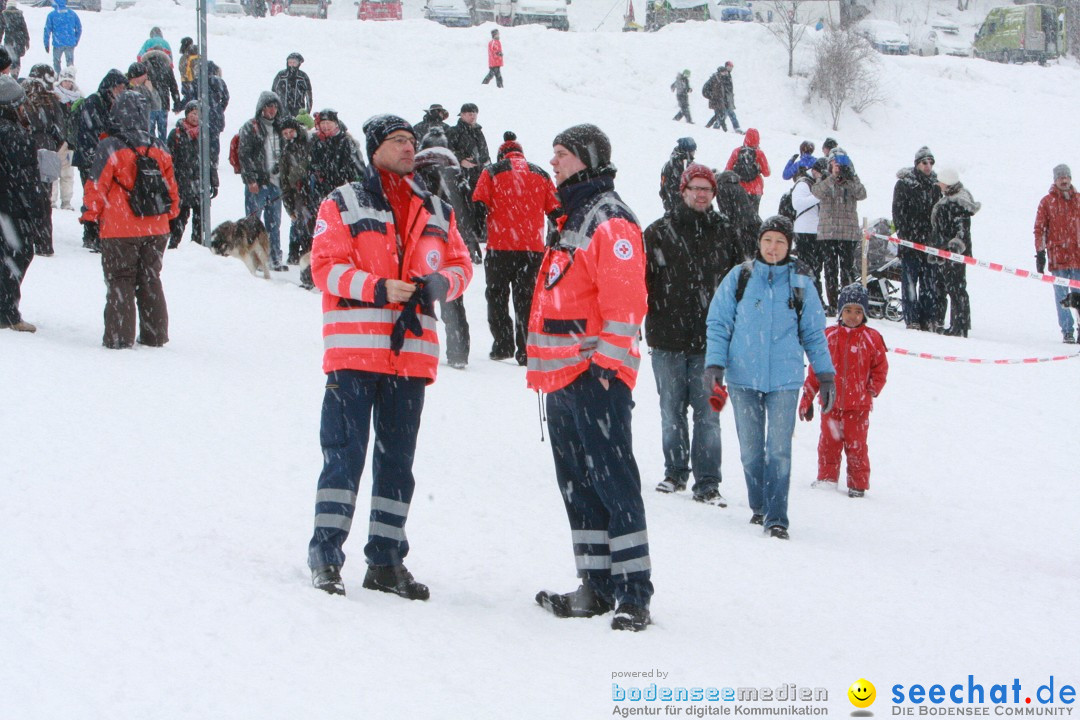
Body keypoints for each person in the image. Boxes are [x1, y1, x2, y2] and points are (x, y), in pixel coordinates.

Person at [305, 114, 473, 599]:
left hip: (411, 356)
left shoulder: (437, 209)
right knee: (344, 458)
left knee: (397, 464)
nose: (407, 147)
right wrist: (378, 289)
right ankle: (326, 555)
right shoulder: (343, 201)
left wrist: (441, 283)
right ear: (375, 147)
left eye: (411, 141)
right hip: (355, 352)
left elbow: (462, 264)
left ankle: (385, 559)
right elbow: (325, 268)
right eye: (398, 140)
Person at [530, 124, 653, 632]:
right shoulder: (574, 214)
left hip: (592, 376)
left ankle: (632, 594)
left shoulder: (611, 219)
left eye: (560, 154)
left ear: (586, 159)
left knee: (613, 483)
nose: (553, 162)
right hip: (562, 378)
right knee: (578, 485)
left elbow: (625, 304)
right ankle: (595, 585)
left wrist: (604, 368)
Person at [704, 215, 835, 539]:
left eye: (779, 241)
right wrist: (715, 365)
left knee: (778, 450)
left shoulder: (801, 283)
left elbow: (815, 335)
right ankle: (759, 506)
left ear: (789, 245)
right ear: (759, 243)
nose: (772, 247)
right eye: (767, 240)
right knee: (751, 450)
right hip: (743, 378)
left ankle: (776, 517)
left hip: (784, 380)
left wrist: (826, 375)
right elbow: (719, 324)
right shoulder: (740, 278)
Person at [644, 163, 739, 505]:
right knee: (671, 411)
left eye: (707, 189)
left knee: (709, 415)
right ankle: (675, 473)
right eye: (695, 188)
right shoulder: (657, 232)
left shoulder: (727, 232)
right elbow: (640, 284)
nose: (701, 194)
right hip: (666, 338)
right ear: (682, 191)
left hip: (711, 343)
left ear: (713, 194)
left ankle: (708, 482)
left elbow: (736, 288)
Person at [81, 91, 180, 349]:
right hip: (156, 225)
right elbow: (171, 190)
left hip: (119, 226)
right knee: (151, 280)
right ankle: (155, 334)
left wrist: (90, 215)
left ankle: (119, 337)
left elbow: (96, 185)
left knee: (121, 280)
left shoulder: (110, 146)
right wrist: (169, 217)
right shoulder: (159, 146)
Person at [472, 130, 559, 366]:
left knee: (497, 295)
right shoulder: (540, 173)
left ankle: (503, 345)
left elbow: (478, 205)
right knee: (526, 299)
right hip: (532, 249)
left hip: (500, 246)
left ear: (502, 155)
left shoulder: (491, 171)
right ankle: (526, 350)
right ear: (521, 154)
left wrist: (476, 232)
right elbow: (556, 211)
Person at [799, 283, 888, 498]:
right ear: (840, 312)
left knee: (857, 447)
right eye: (848, 310)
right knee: (828, 445)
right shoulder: (829, 336)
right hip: (830, 406)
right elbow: (815, 372)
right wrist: (807, 399)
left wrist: (872, 389)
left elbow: (880, 368)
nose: (852, 316)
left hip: (858, 408)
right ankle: (827, 479)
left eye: (858, 311)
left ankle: (858, 484)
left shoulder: (871, 338)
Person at [414, 129, 483, 369]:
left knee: (416, 296)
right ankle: (458, 353)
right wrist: (470, 238)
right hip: (450, 237)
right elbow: (467, 207)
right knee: (453, 298)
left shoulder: (415, 172)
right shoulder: (455, 170)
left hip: (422, 240)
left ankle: (415, 347)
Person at [0, 74, 45, 333]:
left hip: (7, 206)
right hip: (12, 208)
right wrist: (36, 211)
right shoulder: (16, 135)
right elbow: (25, 178)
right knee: (15, 257)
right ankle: (7, 313)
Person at [73, 68, 128, 252]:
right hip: (90, 157)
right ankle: (91, 233)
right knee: (93, 195)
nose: (121, 91)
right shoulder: (93, 102)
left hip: (103, 158)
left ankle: (99, 232)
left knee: (103, 196)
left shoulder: (112, 103)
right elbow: (89, 131)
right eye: (119, 87)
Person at [891, 146, 941, 331]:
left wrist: (935, 237)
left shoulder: (936, 185)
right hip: (910, 243)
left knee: (929, 284)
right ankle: (911, 318)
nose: (928, 166)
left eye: (930, 162)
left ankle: (928, 318)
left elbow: (938, 214)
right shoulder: (905, 184)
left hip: (930, 244)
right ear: (917, 164)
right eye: (924, 162)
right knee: (910, 283)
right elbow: (898, 212)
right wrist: (906, 236)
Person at [811, 147, 866, 315]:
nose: (838, 167)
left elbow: (862, 194)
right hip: (828, 233)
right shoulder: (825, 180)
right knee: (830, 270)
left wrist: (852, 175)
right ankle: (834, 303)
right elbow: (817, 192)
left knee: (847, 269)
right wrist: (832, 176)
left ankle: (848, 303)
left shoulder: (852, 180)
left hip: (848, 233)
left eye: (840, 164)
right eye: (835, 164)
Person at [237, 91, 286, 270]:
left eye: (274, 107)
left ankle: (274, 258)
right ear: (261, 108)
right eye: (268, 106)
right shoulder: (251, 127)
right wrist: (251, 180)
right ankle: (254, 257)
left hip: (276, 183)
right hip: (257, 183)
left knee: (274, 223)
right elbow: (244, 154)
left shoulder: (281, 127)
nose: (272, 110)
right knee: (253, 223)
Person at [1034, 163, 1080, 343]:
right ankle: (1067, 331)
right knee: (1062, 297)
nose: (1064, 180)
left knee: (1079, 296)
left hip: (1077, 257)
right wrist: (1040, 252)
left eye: (1066, 177)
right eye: (1061, 177)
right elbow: (1039, 228)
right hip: (1058, 257)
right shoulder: (1047, 202)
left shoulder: (1078, 200)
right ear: (1055, 180)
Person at [930, 167, 978, 337]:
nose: (939, 185)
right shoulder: (955, 200)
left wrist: (953, 248)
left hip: (952, 254)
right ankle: (960, 324)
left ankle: (959, 326)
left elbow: (961, 230)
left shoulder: (955, 203)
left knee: (956, 289)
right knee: (956, 288)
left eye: (941, 182)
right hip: (950, 252)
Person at [22, 64, 64, 256]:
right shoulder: (52, 101)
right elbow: (60, 131)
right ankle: (44, 242)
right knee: (44, 199)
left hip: (26, 148)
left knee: (23, 195)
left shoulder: (22, 98)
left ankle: (24, 237)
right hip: (47, 150)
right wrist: (50, 144)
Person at [167, 100, 217, 248]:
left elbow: (211, 159)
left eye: (198, 114)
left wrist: (213, 181)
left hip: (199, 183)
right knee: (180, 218)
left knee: (200, 219)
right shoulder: (176, 134)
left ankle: (196, 247)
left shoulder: (205, 134)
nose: (195, 117)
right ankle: (173, 246)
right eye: (193, 113)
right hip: (181, 183)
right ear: (187, 114)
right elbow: (168, 159)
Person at [447, 102, 489, 240]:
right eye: (470, 114)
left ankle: (478, 232)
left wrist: (485, 163)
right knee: (464, 203)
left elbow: (485, 152)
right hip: (461, 175)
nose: (473, 116)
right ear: (462, 115)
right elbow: (448, 151)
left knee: (479, 202)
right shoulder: (454, 131)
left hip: (478, 174)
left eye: (475, 113)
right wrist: (461, 160)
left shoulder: (478, 132)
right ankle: (465, 233)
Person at [278, 117, 315, 266]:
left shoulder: (310, 142)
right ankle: (296, 253)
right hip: (297, 194)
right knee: (299, 225)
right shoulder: (286, 151)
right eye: (285, 133)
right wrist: (288, 206)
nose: (288, 136)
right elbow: (284, 181)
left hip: (313, 191)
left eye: (290, 132)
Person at [309, 108, 366, 201]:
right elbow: (313, 166)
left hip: (346, 193)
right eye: (323, 123)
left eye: (328, 123)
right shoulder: (318, 143)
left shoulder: (346, 141)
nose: (325, 126)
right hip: (325, 195)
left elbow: (358, 168)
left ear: (335, 124)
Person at [791, 157, 824, 301]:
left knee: (816, 268)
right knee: (805, 267)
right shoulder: (803, 183)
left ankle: (816, 297)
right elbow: (797, 204)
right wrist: (817, 197)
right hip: (804, 230)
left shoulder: (815, 183)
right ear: (815, 171)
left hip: (817, 230)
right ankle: (805, 297)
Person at [714, 168, 760, 261]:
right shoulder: (737, 185)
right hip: (753, 222)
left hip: (742, 226)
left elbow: (727, 212)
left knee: (745, 259)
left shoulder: (721, 187)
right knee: (755, 256)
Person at [51, 65, 81, 211]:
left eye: (70, 81)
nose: (67, 83)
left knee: (67, 173)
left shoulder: (78, 100)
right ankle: (52, 199)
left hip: (70, 143)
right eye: (65, 80)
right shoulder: (54, 98)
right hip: (57, 141)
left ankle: (66, 200)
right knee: (53, 172)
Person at [724, 127, 769, 213]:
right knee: (753, 216)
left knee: (739, 215)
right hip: (756, 190)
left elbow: (727, 170)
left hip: (739, 189)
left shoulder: (737, 151)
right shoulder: (759, 153)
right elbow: (767, 173)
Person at [141, 48, 180, 142]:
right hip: (164, 102)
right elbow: (173, 86)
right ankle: (162, 149)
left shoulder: (144, 66)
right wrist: (177, 102)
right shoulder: (167, 67)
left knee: (149, 131)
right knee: (162, 131)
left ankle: (151, 149)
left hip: (149, 103)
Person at [43, 0, 80, 77]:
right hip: (70, 43)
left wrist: (46, 43)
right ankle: (70, 77)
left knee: (56, 62)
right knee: (70, 63)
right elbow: (79, 28)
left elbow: (47, 30)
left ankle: (58, 77)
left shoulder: (52, 15)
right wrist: (76, 40)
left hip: (58, 43)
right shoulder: (72, 14)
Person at [658, 136, 695, 215]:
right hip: (682, 209)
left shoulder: (668, 164)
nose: (694, 153)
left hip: (671, 206)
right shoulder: (685, 165)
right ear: (687, 151)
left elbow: (663, 189)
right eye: (692, 150)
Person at [271, 52, 312, 119]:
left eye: (294, 62)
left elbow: (309, 95)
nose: (292, 65)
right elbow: (273, 92)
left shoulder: (303, 76)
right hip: (281, 110)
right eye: (290, 62)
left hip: (298, 111)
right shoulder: (281, 75)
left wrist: (307, 112)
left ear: (299, 63)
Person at [702, 61, 740, 133]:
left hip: (724, 100)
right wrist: (712, 96)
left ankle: (719, 128)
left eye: (731, 67)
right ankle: (715, 127)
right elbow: (706, 89)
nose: (729, 69)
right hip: (719, 100)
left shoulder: (725, 77)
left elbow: (726, 89)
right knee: (720, 115)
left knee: (722, 115)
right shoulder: (716, 78)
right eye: (728, 67)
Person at [205, 61, 228, 171]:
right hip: (216, 117)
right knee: (215, 140)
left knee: (203, 138)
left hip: (204, 116)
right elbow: (226, 97)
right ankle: (214, 161)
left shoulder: (199, 81)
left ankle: (204, 159)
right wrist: (219, 108)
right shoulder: (220, 82)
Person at [126, 62, 159, 134]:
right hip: (128, 130)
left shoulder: (145, 88)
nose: (146, 77)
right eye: (144, 75)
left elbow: (157, 106)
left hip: (143, 129)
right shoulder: (124, 88)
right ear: (137, 77)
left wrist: (151, 91)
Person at [1, 0, 28, 77]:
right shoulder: (19, 14)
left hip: (9, 40)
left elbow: (1, 29)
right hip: (18, 40)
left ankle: (6, 73)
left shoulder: (4, 14)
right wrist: (27, 40)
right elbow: (24, 28)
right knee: (17, 59)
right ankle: (15, 74)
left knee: (8, 57)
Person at [178, 37, 198, 105]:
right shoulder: (199, 56)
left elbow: (183, 74)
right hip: (200, 86)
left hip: (189, 85)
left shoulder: (184, 58)